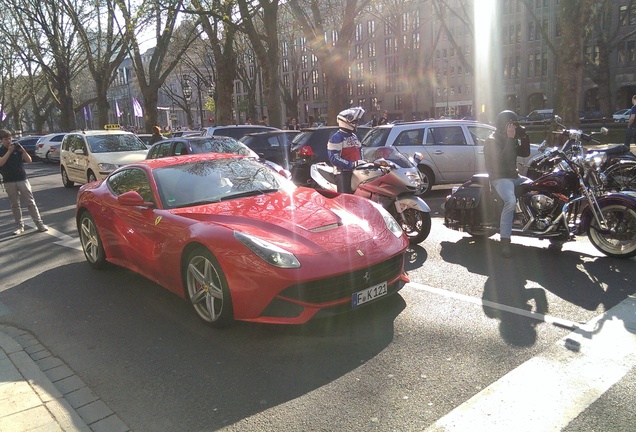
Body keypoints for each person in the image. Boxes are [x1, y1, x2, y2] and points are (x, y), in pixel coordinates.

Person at [484, 110, 531, 258]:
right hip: (500, 177)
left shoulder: (510, 137)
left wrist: (524, 136)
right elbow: (501, 160)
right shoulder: (491, 140)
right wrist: (511, 139)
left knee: (536, 188)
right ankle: (505, 240)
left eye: (515, 125)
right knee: (510, 201)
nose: (514, 127)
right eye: (511, 124)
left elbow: (525, 153)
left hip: (514, 176)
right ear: (503, 124)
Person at [0, 129, 48, 235]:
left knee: (30, 202)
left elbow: (29, 160)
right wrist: (9, 151)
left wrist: (23, 150)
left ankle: (39, 224)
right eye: (5, 139)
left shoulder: (17, 148)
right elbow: (1, 163)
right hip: (9, 181)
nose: (8, 141)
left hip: (22, 178)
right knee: (15, 205)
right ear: (1, 140)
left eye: (9, 138)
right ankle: (19, 226)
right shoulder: (1, 150)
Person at [327, 107, 366, 193]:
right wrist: (351, 164)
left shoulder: (353, 136)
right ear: (346, 121)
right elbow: (334, 158)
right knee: (345, 198)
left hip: (356, 171)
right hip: (342, 173)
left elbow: (360, 152)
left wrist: (362, 163)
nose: (356, 124)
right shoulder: (336, 138)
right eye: (354, 122)